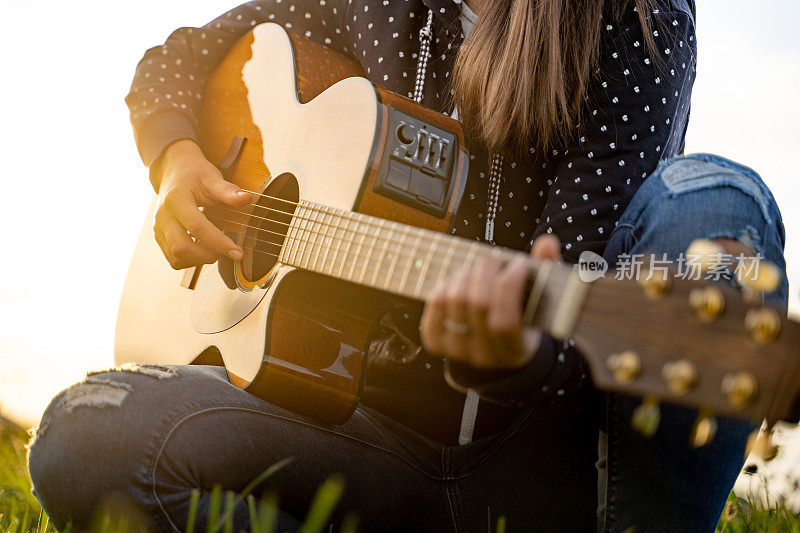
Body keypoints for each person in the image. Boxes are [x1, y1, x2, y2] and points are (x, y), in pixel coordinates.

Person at [28, 0, 789, 531]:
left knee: (713, 199)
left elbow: (574, 309)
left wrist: (513, 357)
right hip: (363, 438)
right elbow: (181, 57)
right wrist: (177, 159)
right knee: (83, 435)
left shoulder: (634, 20)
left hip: (540, 466)